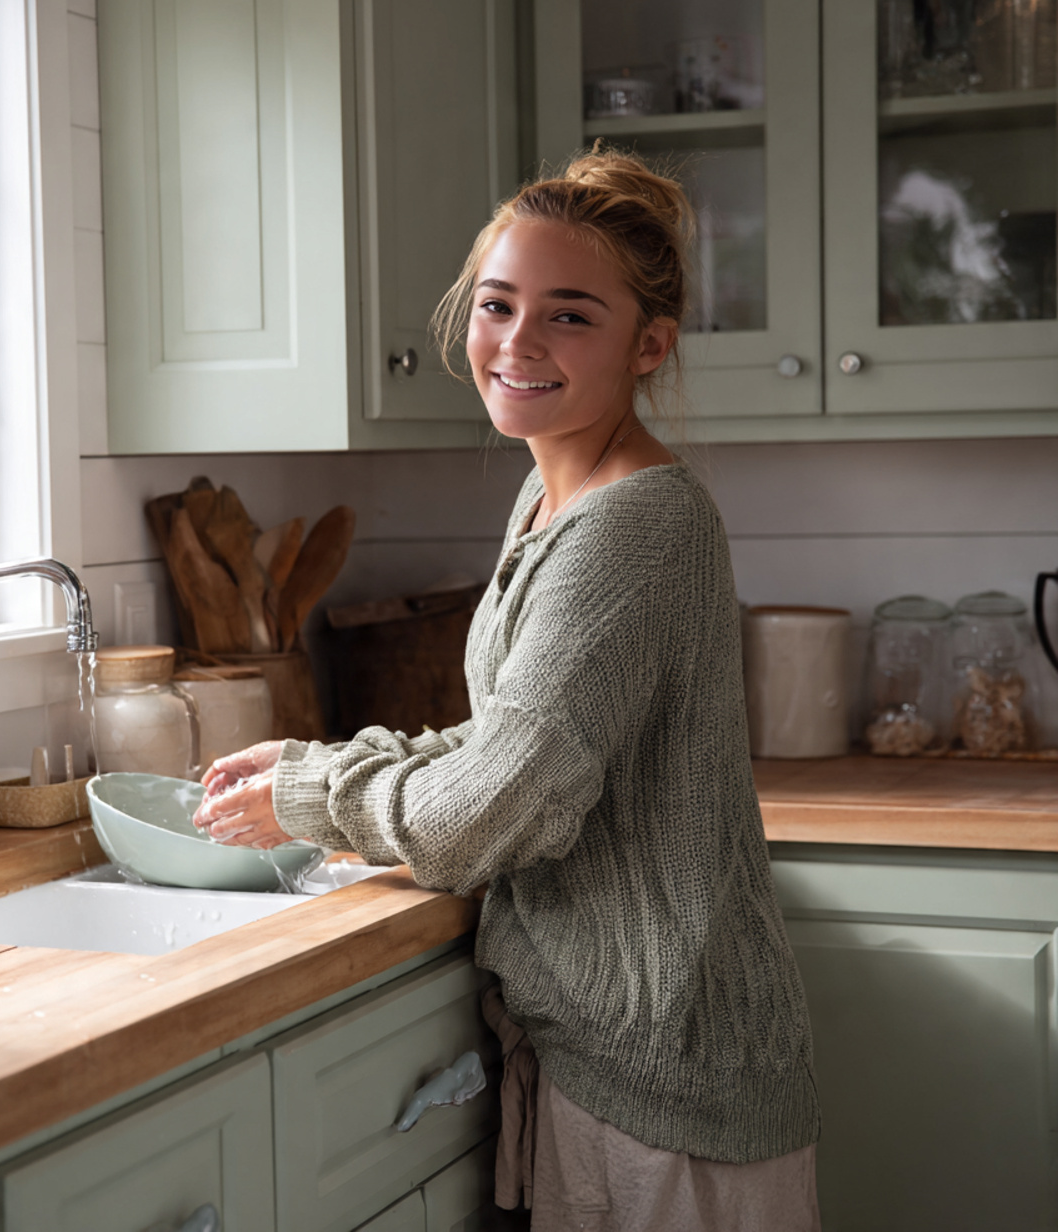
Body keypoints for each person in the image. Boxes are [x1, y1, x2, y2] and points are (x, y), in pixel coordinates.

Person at [194, 146, 822, 1231]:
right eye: (496, 305)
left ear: (648, 344)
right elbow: (509, 738)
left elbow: (491, 807)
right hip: (620, 1055)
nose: (515, 343)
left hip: (665, 1087)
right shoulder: (552, 491)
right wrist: (317, 762)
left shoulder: (636, 524)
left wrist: (312, 801)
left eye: (568, 315)